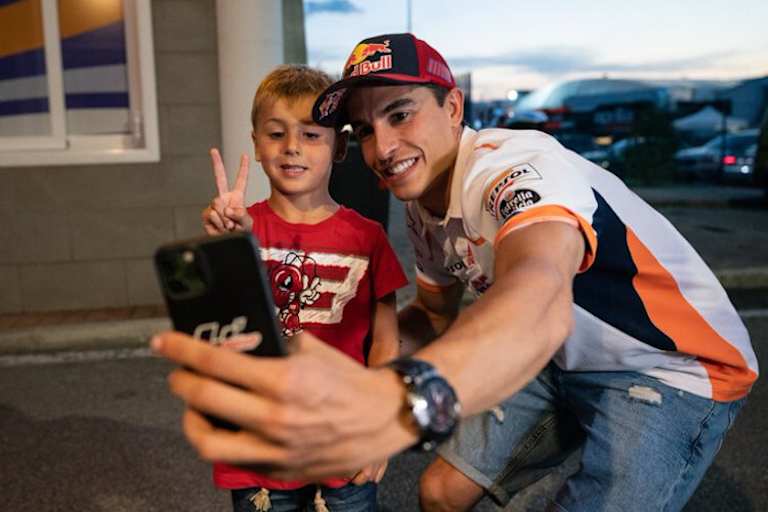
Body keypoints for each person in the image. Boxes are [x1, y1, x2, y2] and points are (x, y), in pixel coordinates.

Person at [153, 35, 758, 512]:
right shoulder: (423, 205)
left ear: (452, 107)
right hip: (563, 358)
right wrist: (348, 365)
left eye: (400, 114)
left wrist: (393, 399)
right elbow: (433, 314)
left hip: (669, 367)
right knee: (440, 492)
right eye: (364, 130)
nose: (383, 147)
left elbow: (539, 292)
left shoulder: (513, 169)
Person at [199, 64, 408, 512]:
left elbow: (386, 342)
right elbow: (217, 331)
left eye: (311, 134)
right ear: (257, 144)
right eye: (276, 133)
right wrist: (226, 249)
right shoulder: (240, 232)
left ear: (340, 146)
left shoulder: (368, 237)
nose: (292, 146)